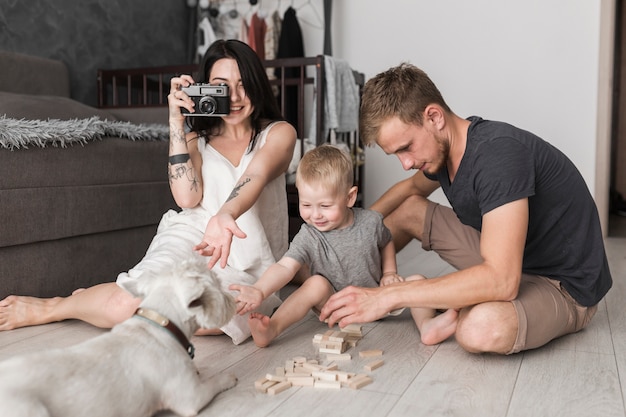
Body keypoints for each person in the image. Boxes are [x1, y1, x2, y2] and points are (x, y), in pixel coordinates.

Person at [0, 39, 297, 345]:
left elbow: (255, 174)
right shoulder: (197, 137)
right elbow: (186, 199)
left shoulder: (278, 133)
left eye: (243, 84)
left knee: (221, 315)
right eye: (222, 86)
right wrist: (176, 121)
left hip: (252, 261)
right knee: (128, 304)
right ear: (206, 88)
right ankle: (56, 307)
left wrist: (224, 215)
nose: (234, 97)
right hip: (192, 237)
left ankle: (91, 301)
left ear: (257, 86)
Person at [319, 63, 613, 355]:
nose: (405, 163)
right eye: (396, 154)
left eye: (406, 148)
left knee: (479, 329)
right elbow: (407, 190)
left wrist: (390, 296)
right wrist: (344, 237)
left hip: (561, 286)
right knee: (408, 211)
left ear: (434, 116)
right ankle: (342, 290)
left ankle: (400, 298)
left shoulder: (497, 156)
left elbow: (502, 280)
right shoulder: (446, 151)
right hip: (511, 257)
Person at [230, 145, 457, 347]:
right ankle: (273, 328)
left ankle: (427, 325)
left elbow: (386, 241)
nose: (315, 214)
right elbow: (285, 267)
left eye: (325, 205)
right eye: (306, 204)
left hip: (376, 300)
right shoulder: (309, 234)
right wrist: (260, 289)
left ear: (349, 197)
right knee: (315, 283)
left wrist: (389, 273)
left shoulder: (370, 221)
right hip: (332, 306)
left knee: (416, 280)